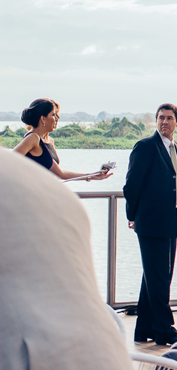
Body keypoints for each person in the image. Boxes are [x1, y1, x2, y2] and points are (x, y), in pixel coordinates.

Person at [0, 147, 130, 370]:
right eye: (53, 115)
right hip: (109, 351)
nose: (56, 120)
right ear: (43, 118)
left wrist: (91, 175)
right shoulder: (52, 192)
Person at [123, 103, 177, 345]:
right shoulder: (145, 146)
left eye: (169, 118)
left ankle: (143, 329)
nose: (165, 122)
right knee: (160, 278)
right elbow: (131, 185)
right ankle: (165, 330)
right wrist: (132, 215)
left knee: (154, 277)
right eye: (161, 118)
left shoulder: (175, 147)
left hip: (171, 221)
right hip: (151, 222)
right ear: (156, 121)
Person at [14, 98, 112, 182]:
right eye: (53, 115)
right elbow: (7, 160)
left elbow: (61, 174)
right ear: (43, 119)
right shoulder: (33, 138)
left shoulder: (49, 141)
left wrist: (93, 175)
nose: (57, 118)